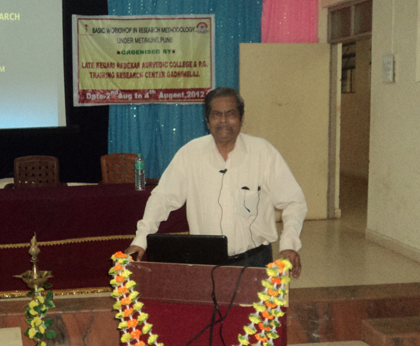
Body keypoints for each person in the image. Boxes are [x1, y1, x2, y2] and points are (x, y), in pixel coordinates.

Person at [124, 87, 307, 278]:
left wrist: (289, 244)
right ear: (207, 121)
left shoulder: (263, 153)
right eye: (216, 114)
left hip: (255, 261)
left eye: (231, 114)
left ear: (242, 119)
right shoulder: (190, 154)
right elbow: (162, 198)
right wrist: (141, 240)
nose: (223, 120)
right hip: (205, 263)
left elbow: (294, 201)